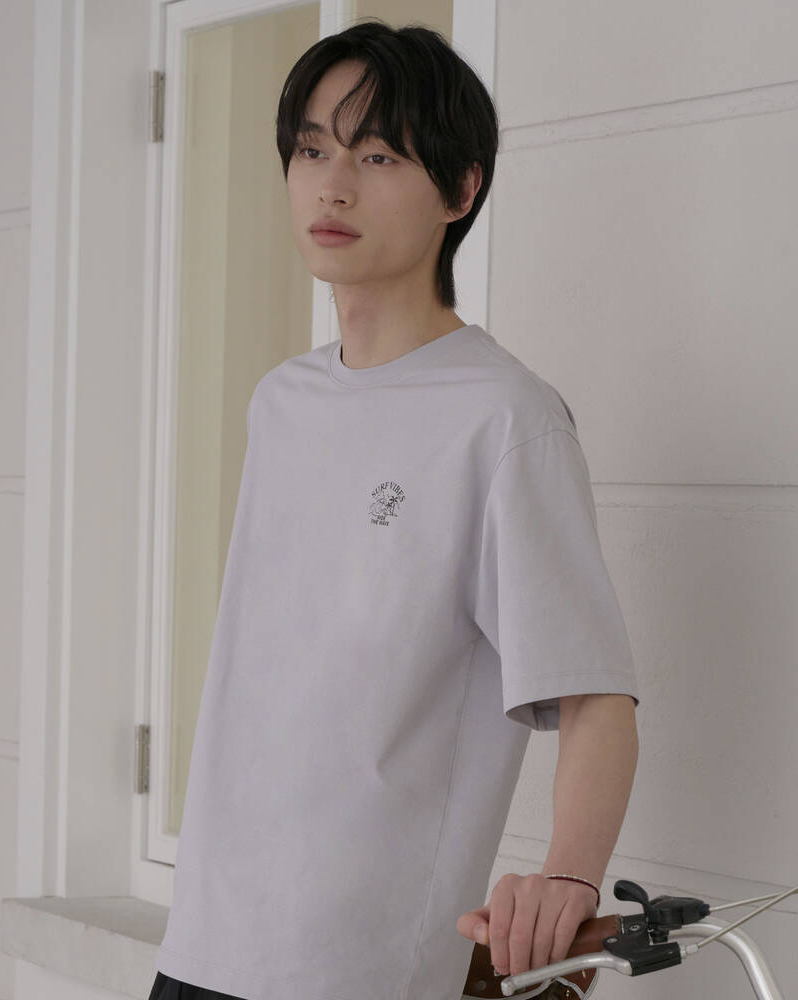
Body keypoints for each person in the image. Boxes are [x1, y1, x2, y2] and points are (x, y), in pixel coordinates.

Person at [149, 18, 640, 1000]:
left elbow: (597, 698)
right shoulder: (282, 401)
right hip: (203, 939)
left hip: (356, 963)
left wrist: (567, 881)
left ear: (461, 191)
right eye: (312, 150)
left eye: (376, 156)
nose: (332, 186)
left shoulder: (506, 418)